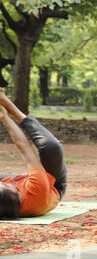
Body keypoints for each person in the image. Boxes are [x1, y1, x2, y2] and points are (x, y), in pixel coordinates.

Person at [0, 89, 67, 218]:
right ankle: (12, 107)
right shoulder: (37, 190)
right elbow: (24, 146)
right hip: (54, 186)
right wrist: (5, 117)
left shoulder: (4, 203)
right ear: (13, 188)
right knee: (52, 147)